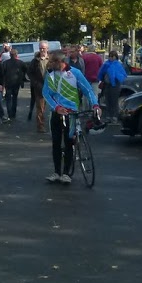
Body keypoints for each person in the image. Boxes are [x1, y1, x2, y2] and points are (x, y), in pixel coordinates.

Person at [41, 49, 100, 184]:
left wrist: (95, 105)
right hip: (56, 113)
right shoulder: (50, 74)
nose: (49, 63)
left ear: (60, 61)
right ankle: (56, 172)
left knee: (68, 143)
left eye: (51, 61)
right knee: (56, 143)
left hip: (72, 113)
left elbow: (88, 90)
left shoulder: (75, 73)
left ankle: (66, 173)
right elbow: (46, 93)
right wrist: (56, 107)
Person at [98, 50, 127, 124]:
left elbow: (123, 75)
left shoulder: (118, 64)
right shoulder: (106, 64)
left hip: (115, 85)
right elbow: (101, 73)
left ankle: (114, 117)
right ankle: (108, 116)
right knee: (108, 101)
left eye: (112, 56)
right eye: (110, 56)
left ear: (115, 57)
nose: (111, 58)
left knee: (114, 101)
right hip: (107, 84)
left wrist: (117, 77)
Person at [29, 41, 50, 133]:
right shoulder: (35, 61)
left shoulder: (51, 59)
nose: (42, 50)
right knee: (40, 108)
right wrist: (35, 83)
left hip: (52, 87)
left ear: (47, 49)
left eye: (44, 48)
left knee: (57, 107)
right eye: (41, 48)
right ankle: (40, 126)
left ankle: (58, 126)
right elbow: (30, 73)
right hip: (39, 87)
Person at [1, 49, 26, 121]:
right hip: (17, 82)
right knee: (15, 98)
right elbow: (25, 70)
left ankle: (9, 114)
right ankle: (13, 114)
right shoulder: (20, 63)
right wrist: (22, 77)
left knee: (8, 99)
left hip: (8, 82)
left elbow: (2, 73)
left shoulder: (5, 63)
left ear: (10, 55)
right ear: (16, 55)